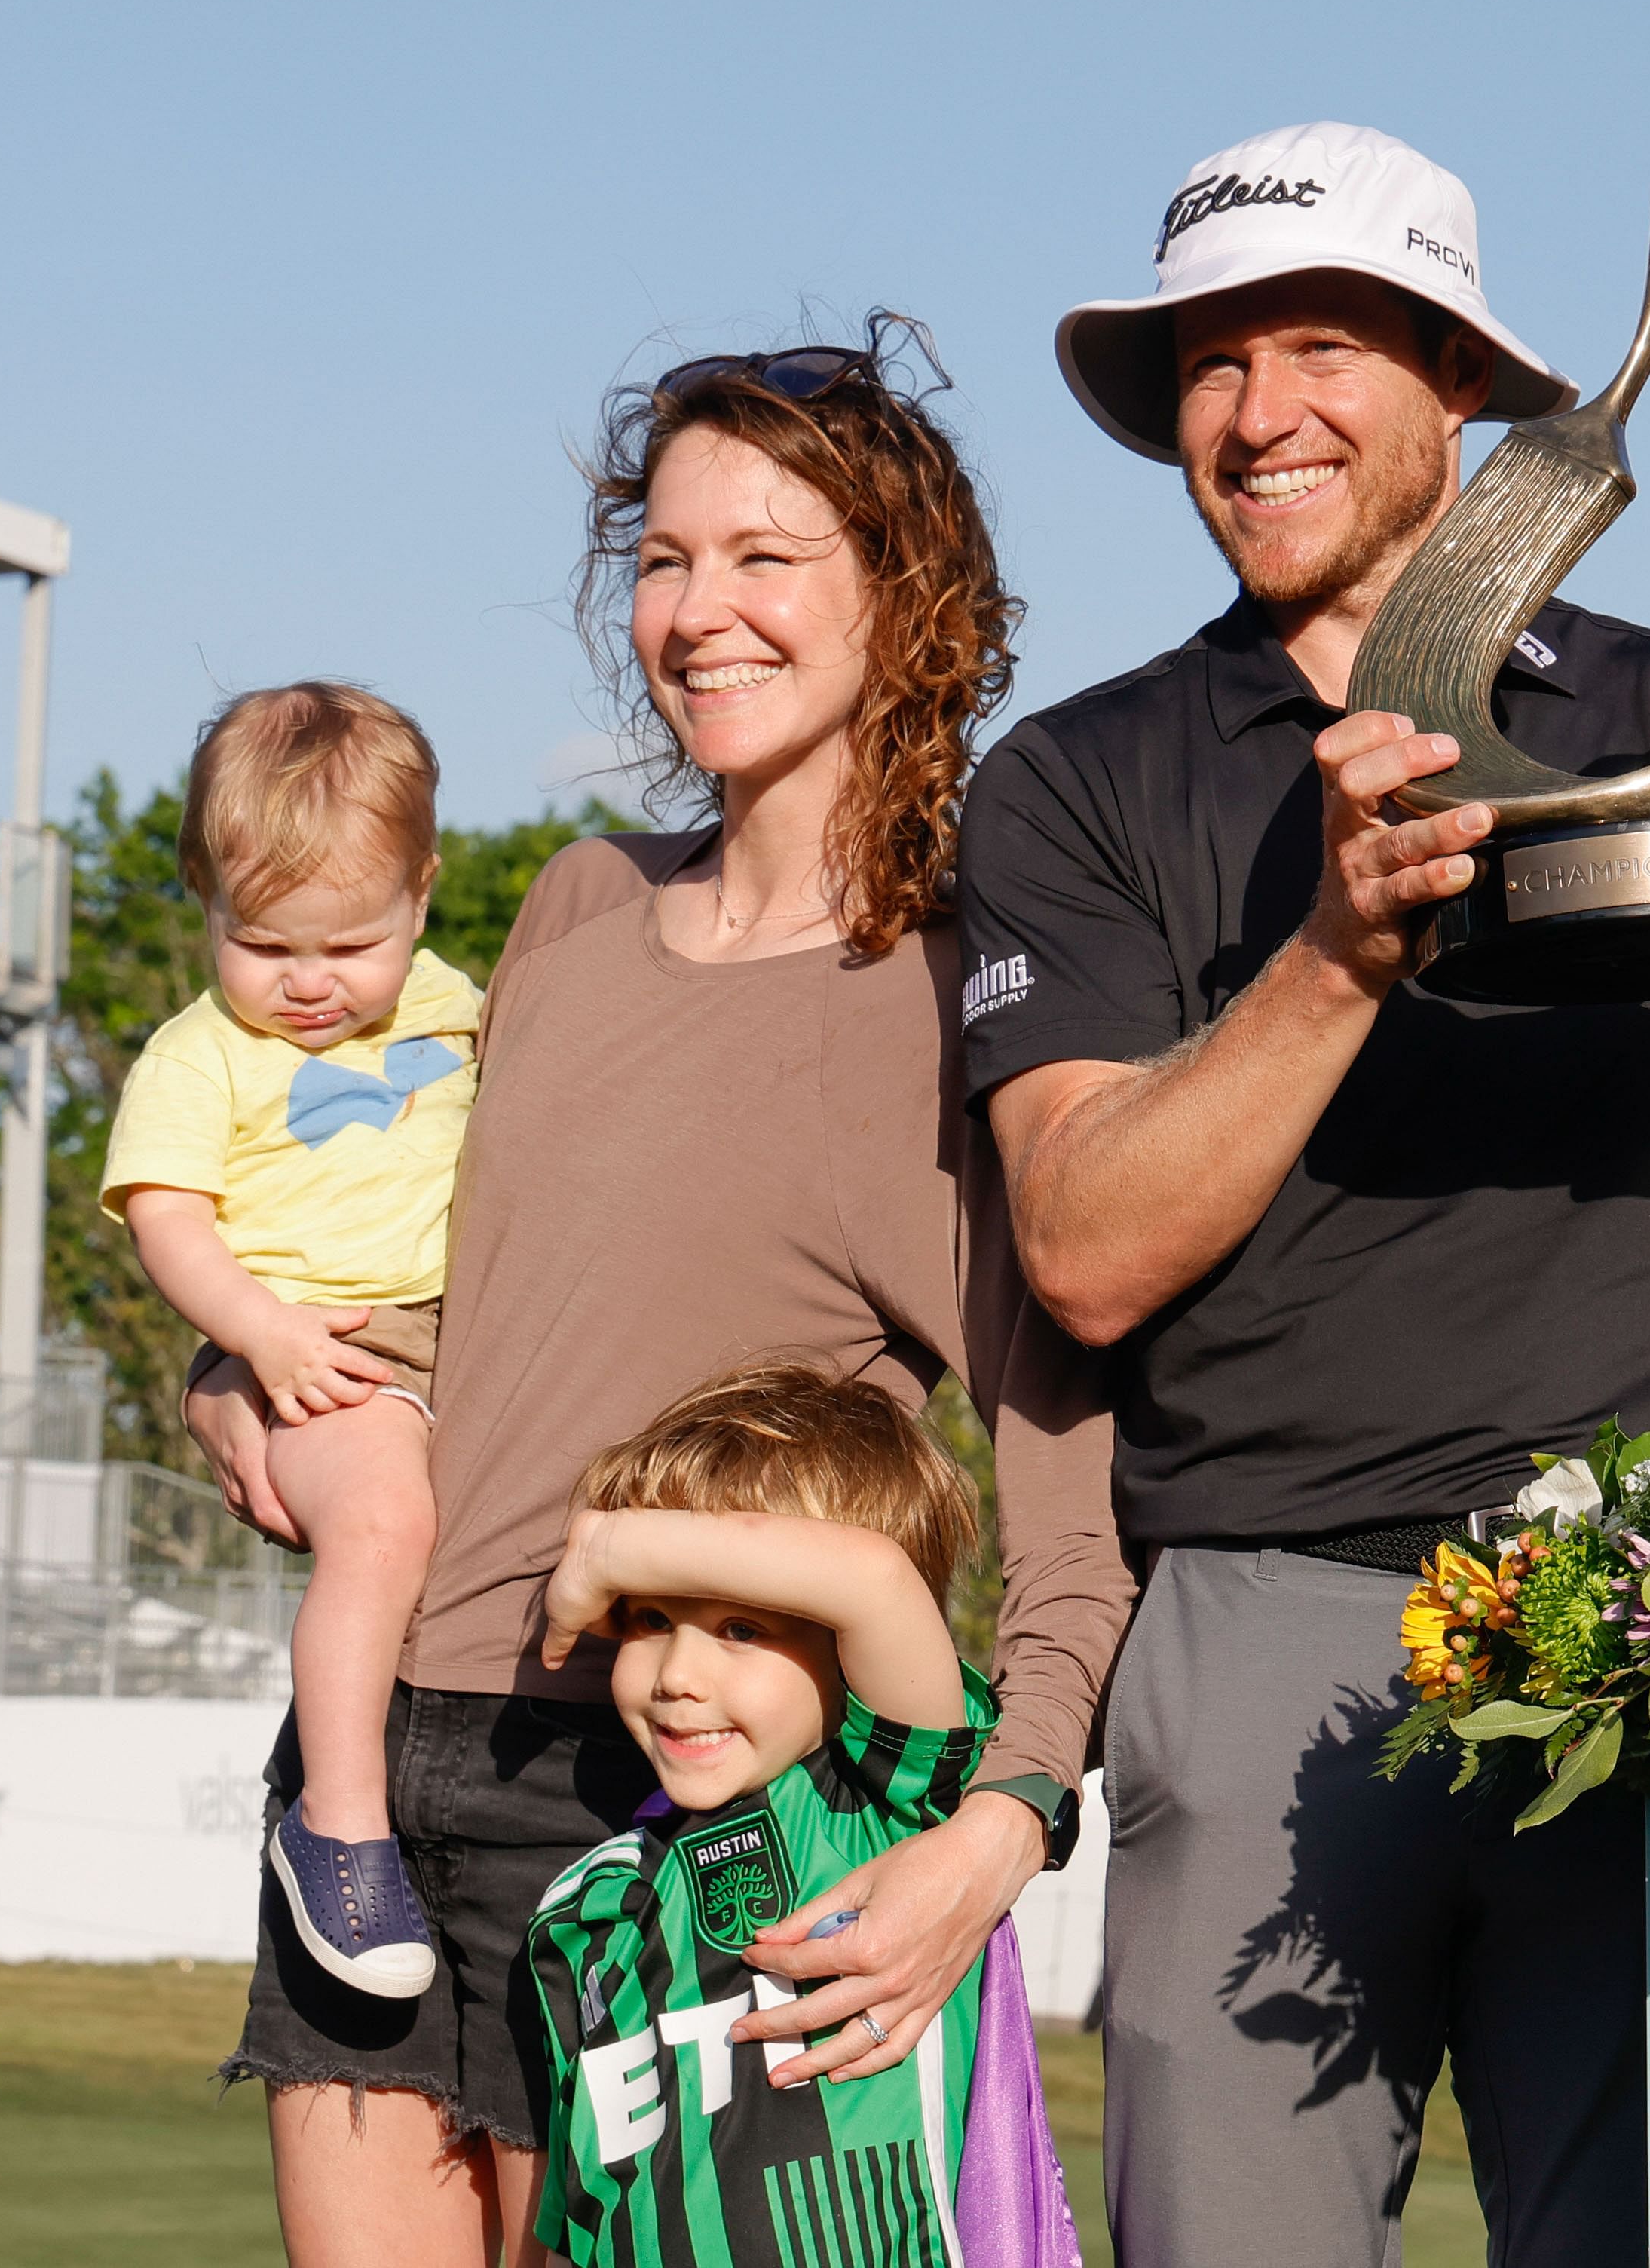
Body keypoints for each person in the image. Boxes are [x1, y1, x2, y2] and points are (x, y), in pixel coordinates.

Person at [944, 122, 1650, 2268]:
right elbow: (1085, 1245)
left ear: (1463, 393)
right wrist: (1334, 950)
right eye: (1211, 363)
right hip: (1260, 1612)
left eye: (1323, 344)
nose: (1257, 410)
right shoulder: (1075, 777)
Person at [188, 320, 1131, 2268]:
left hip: (648, 1783)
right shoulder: (575, 908)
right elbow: (441, 1280)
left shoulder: (957, 997)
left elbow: (1069, 1505)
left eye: (764, 556)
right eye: (666, 557)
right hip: (375, 1773)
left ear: (907, 594)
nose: (698, 612)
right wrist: (237, 1364)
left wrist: (1003, 1818)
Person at [525, 1359, 1079, 2268]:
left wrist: (611, 1549)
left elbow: (876, 1580)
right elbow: (577, 2201)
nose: (677, 1675)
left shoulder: (892, 1811)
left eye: (744, 1629)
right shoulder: (581, 1912)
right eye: (652, 1618)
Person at [106, 681, 473, 2001]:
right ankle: (341, 1826)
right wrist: (258, 1337)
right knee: (380, 1528)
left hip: (464, 1341)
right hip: (323, 1345)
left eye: (350, 945)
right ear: (203, 893)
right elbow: (169, 1219)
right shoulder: (199, 1055)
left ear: (421, 893)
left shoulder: (455, 1007)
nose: (311, 985)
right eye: (266, 947)